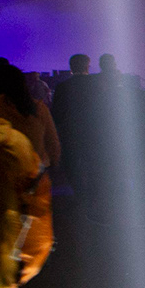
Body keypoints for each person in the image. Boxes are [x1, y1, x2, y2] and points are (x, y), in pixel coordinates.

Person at [0, 60, 60, 174]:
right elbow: (51, 139)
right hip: (36, 170)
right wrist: (53, 161)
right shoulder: (38, 107)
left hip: (1, 173)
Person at [50, 53, 98, 193]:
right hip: (94, 132)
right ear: (87, 65)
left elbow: (57, 112)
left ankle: (79, 193)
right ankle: (95, 194)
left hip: (71, 132)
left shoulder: (62, 87)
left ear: (71, 66)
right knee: (94, 164)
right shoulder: (97, 84)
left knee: (73, 166)